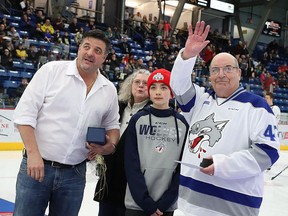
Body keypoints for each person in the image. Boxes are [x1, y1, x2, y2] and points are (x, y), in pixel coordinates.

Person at [170, 21, 280, 216]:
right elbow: (178, 86)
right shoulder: (200, 100)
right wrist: (187, 56)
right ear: (209, 76)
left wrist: (222, 165)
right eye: (215, 70)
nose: (221, 75)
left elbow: (267, 153)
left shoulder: (257, 107)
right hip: (189, 205)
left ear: (239, 73)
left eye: (228, 69)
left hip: (232, 208)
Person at [13, 29, 120, 216]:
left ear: (104, 58)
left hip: (75, 175)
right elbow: (24, 115)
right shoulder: (51, 71)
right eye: (86, 47)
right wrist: (33, 154)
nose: (90, 53)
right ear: (79, 49)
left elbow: (113, 127)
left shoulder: (108, 90)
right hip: (37, 167)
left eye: (97, 50)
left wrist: (107, 147)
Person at [124, 69, 189, 216]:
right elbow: (131, 163)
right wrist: (145, 202)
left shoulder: (182, 124)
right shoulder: (137, 120)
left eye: (163, 87)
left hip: (166, 205)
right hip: (137, 204)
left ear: (172, 92)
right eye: (153, 87)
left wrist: (167, 201)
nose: (158, 92)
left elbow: (182, 168)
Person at [94, 69, 151, 216]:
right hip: (110, 178)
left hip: (132, 181)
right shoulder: (117, 106)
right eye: (137, 82)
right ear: (130, 85)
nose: (140, 86)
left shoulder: (152, 114)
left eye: (145, 83)